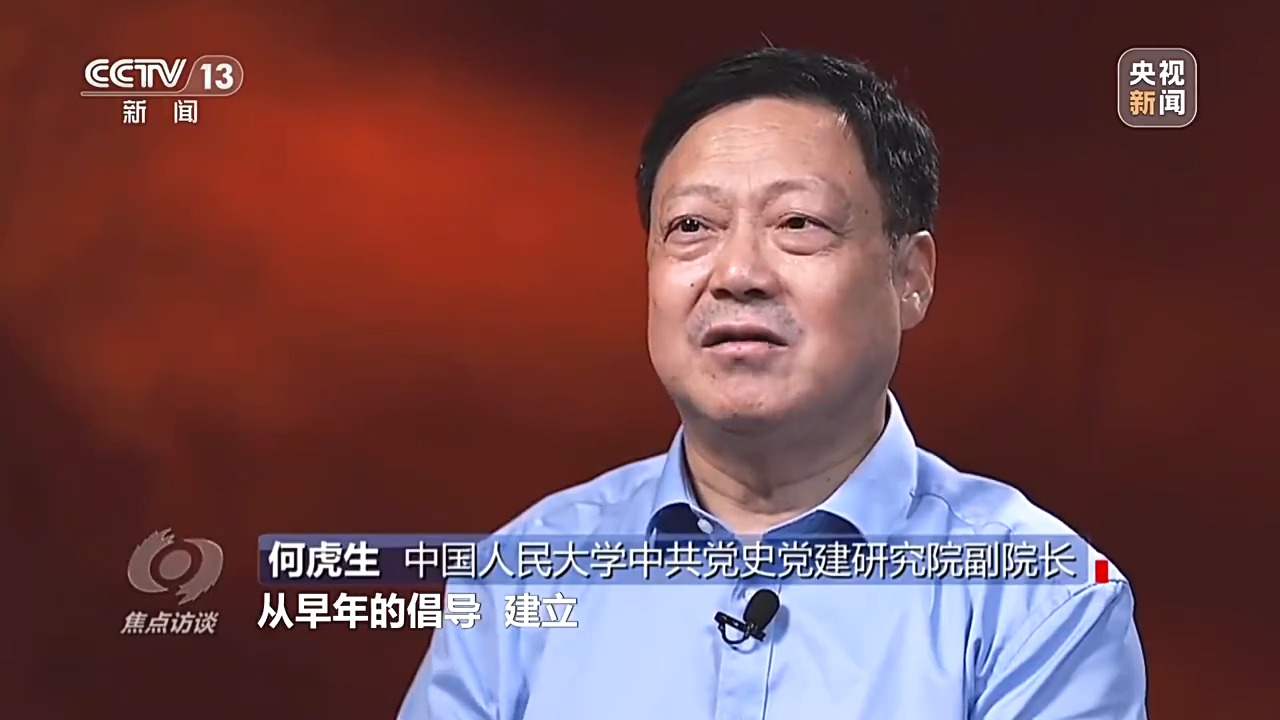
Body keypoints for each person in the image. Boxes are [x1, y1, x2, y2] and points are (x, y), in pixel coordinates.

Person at [399, 47, 1147, 720]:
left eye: (797, 223)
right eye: (692, 227)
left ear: (910, 278)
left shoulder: (1040, 599)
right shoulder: (526, 575)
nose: (737, 274)